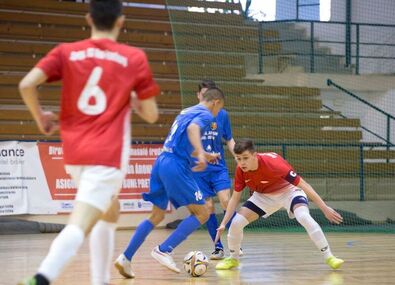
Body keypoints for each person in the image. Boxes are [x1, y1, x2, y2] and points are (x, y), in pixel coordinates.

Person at [18, 1, 159, 284]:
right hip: (107, 155)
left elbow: (26, 84)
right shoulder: (133, 57)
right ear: (121, 21)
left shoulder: (66, 52)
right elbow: (152, 115)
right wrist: (131, 98)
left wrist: (41, 118)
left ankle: (100, 281)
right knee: (80, 223)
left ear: (88, 19)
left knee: (110, 209)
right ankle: (42, 276)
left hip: (74, 153)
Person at [114, 87, 225, 278]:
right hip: (175, 165)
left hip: (162, 161)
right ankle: (164, 249)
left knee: (156, 216)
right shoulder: (206, 115)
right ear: (216, 102)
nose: (218, 113)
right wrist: (200, 152)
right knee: (203, 212)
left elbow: (181, 143)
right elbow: (193, 129)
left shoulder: (186, 111)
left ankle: (125, 257)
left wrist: (204, 154)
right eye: (220, 108)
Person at [215, 139, 344, 270]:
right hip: (263, 196)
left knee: (304, 217)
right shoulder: (240, 170)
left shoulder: (274, 164)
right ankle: (233, 258)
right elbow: (235, 198)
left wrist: (324, 208)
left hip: (289, 191)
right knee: (236, 223)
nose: (242, 162)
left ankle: (329, 256)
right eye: (238, 159)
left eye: (245, 158)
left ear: (255, 155)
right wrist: (224, 223)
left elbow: (304, 184)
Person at [193, 80, 238, 260]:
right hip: (199, 169)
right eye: (204, 95)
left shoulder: (222, 114)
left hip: (218, 166)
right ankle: (218, 246)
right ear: (198, 96)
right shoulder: (192, 115)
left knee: (227, 201)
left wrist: (237, 155)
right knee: (208, 207)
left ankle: (235, 243)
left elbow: (229, 138)